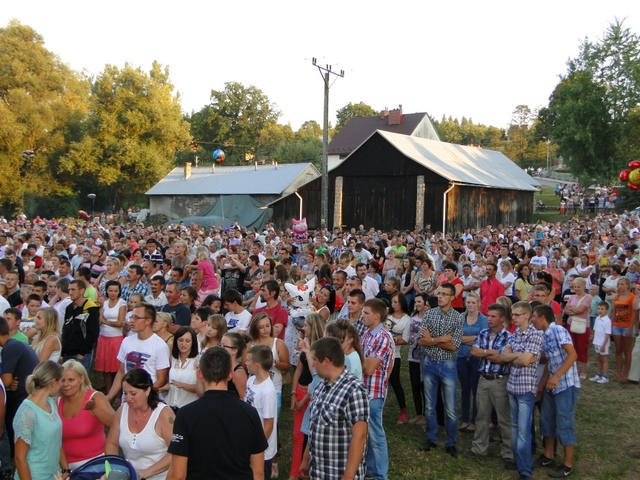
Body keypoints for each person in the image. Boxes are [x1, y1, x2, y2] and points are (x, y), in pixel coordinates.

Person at [166, 347, 268, 480]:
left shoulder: (186, 415)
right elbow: (258, 472)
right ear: (230, 374)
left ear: (200, 374)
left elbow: (177, 475)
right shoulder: (250, 413)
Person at [299, 337, 369, 480]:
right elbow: (314, 428)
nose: (313, 364)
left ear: (326, 361)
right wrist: (306, 459)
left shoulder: (354, 390)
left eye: (315, 360)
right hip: (318, 473)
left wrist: (348, 476)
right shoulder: (320, 387)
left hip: (338, 473)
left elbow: (359, 436)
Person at [532, 304, 580, 479]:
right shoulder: (544, 335)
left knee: (564, 422)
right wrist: (541, 385)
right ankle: (549, 455)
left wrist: (557, 376)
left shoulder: (558, 330)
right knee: (546, 420)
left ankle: (567, 465)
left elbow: (572, 355)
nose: (532, 320)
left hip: (565, 384)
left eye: (534, 316)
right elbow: (550, 363)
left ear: (542, 317)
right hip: (551, 385)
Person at [467, 303, 515, 469]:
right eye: (488, 316)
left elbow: (502, 359)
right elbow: (473, 352)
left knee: (504, 419)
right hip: (483, 379)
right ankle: (479, 448)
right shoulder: (483, 333)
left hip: (500, 380)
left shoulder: (509, 337)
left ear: (502, 318)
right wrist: (491, 352)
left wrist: (484, 352)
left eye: (493, 316)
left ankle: (509, 453)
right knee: (481, 415)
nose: (489, 319)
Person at [418, 282, 464, 457]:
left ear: (452, 297)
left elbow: (454, 346)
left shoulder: (458, 318)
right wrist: (441, 339)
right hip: (430, 363)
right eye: (439, 293)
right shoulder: (429, 314)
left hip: (447, 364)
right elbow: (421, 340)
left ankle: (451, 442)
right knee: (430, 406)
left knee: (450, 408)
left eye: (444, 294)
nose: (440, 297)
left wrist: (431, 339)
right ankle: (431, 439)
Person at [105, 368, 175, 480]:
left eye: (133, 393)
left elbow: (176, 452)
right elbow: (111, 443)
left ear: (147, 391)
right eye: (125, 393)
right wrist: (116, 467)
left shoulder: (164, 414)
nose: (128, 398)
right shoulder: (121, 411)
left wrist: (145, 473)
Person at [500, 301, 543, 479]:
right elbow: (504, 356)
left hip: (526, 388)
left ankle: (525, 469)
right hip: (512, 386)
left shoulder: (535, 335)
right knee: (515, 427)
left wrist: (514, 356)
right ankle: (521, 463)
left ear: (527, 315)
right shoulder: (515, 334)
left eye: (517, 315)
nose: (513, 318)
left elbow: (525, 361)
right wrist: (519, 355)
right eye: (512, 314)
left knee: (523, 431)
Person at [13, 360, 70, 480]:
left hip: (55, 474)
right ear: (53, 382)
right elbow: (19, 458)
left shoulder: (51, 402)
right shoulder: (27, 413)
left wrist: (65, 468)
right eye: (61, 380)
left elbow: (56, 439)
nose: (63, 385)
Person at [106, 302, 170, 403]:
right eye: (132, 317)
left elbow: (161, 379)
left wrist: (143, 396)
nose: (132, 320)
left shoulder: (160, 345)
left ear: (148, 321)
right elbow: (121, 372)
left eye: (136, 318)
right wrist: (109, 397)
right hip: (127, 400)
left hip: (148, 401)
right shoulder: (127, 341)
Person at [58, 359, 115, 470]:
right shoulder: (57, 402)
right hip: (67, 467)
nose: (66, 384)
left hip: (96, 464)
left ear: (82, 379)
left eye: (71, 380)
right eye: (62, 380)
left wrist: (95, 409)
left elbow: (115, 424)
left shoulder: (95, 397)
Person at [289, 313, 325, 480]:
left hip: (312, 394)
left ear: (313, 327)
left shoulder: (321, 349)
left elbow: (316, 374)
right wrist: (293, 392)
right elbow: (299, 369)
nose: (304, 328)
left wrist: (308, 351)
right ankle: (294, 473)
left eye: (306, 325)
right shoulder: (305, 343)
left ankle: (307, 471)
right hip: (301, 389)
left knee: (310, 434)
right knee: (298, 434)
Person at [361, 298, 394, 480]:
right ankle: (370, 470)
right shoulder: (367, 334)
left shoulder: (382, 337)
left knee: (376, 434)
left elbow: (368, 368)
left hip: (374, 393)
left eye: (366, 313)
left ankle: (381, 475)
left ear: (377, 316)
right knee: (367, 434)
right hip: (364, 391)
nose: (362, 316)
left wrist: (361, 361)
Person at [0, 315, 40, 455]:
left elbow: (5, 381)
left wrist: (9, 382)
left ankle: (10, 454)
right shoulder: (15, 344)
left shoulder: (10, 348)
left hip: (22, 397)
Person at [456, 292, 488, 434]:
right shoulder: (460, 318)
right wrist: (473, 338)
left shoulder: (484, 319)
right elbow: (455, 337)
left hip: (477, 358)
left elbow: (483, 338)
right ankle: (464, 419)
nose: (470, 305)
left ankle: (474, 420)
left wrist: (464, 339)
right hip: (461, 357)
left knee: (476, 390)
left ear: (479, 304)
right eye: (468, 302)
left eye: (473, 302)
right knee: (464, 389)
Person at [245, 344, 278, 475]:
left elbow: (268, 426)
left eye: (248, 360)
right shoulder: (251, 380)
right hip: (249, 439)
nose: (246, 363)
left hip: (261, 450)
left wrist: (256, 448)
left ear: (257, 364)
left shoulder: (267, 391)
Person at [249, 312, 290, 416]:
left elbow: (286, 366)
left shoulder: (279, 344)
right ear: (255, 328)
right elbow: (245, 365)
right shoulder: (250, 344)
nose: (265, 329)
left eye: (267, 326)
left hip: (274, 387)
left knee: (271, 418)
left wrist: (274, 363)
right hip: (254, 387)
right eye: (261, 327)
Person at [61, 279, 100, 372]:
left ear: (82, 290)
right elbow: (65, 329)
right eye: (69, 289)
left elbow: (93, 333)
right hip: (67, 353)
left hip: (81, 354)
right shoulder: (69, 308)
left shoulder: (91, 308)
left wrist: (82, 353)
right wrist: (62, 353)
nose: (70, 292)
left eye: (73, 289)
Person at [96, 280, 127, 394]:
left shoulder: (122, 303)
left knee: (117, 368)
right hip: (103, 337)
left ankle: (117, 394)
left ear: (119, 291)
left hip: (116, 338)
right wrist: (103, 319)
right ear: (107, 291)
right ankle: (109, 393)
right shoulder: (104, 303)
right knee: (105, 369)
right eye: (111, 290)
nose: (113, 293)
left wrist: (105, 321)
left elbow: (119, 323)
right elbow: (99, 320)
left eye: (115, 291)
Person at [386, 291, 411, 423]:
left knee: (395, 382)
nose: (393, 304)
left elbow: (405, 339)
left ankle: (403, 410)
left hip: (394, 354)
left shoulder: (407, 320)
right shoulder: (387, 314)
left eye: (396, 302)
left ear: (402, 303)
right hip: (381, 353)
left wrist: (392, 339)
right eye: (392, 302)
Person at [162, 326, 199, 411]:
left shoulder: (198, 361)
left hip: (189, 409)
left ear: (193, 342)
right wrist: (165, 387)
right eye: (180, 340)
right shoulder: (173, 359)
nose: (183, 344)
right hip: (170, 407)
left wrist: (182, 385)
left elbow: (201, 389)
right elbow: (173, 382)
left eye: (187, 341)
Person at [563, 277, 592, 379]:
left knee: (582, 347)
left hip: (582, 325)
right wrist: (574, 310)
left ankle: (583, 370)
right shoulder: (572, 297)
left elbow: (581, 310)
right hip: (570, 323)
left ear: (583, 287)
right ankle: (575, 367)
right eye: (575, 287)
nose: (576, 289)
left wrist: (572, 309)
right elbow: (566, 310)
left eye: (578, 287)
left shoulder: (588, 297)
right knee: (572, 346)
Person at [612, 277, 636, 382]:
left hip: (627, 326)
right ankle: (619, 372)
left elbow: (634, 314)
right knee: (618, 350)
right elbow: (614, 311)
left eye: (622, 284)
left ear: (627, 285)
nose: (620, 286)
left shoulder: (632, 297)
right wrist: (610, 324)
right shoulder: (617, 297)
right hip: (616, 326)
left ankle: (626, 373)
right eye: (618, 284)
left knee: (627, 351)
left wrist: (630, 328)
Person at [589, 301, 612, 384]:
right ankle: (598, 374)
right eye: (599, 309)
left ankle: (605, 376)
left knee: (604, 359)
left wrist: (603, 345)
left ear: (606, 310)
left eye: (602, 309)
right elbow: (595, 330)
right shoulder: (597, 318)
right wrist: (594, 340)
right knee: (598, 359)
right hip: (597, 342)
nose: (600, 310)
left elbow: (607, 334)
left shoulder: (607, 321)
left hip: (603, 343)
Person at [221, 332, 248, 399]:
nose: (221, 348)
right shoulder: (220, 367)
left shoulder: (238, 373)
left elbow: (243, 397)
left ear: (234, 350)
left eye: (224, 346)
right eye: (220, 345)